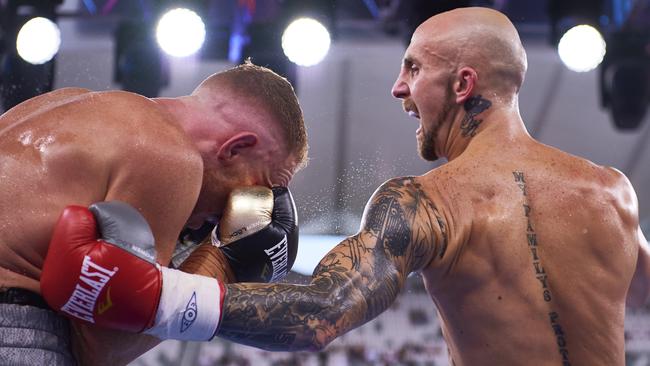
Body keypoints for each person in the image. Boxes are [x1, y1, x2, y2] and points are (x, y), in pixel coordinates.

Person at [40, 6, 647, 366]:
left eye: (413, 67)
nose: (398, 87)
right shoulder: (612, 192)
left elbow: (321, 313)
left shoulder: (430, 201)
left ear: (464, 84)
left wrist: (154, 295)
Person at [0, 61, 307, 365]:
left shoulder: (62, 105)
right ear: (235, 148)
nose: (226, 217)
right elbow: (104, 350)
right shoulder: (171, 155)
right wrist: (222, 264)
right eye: (250, 192)